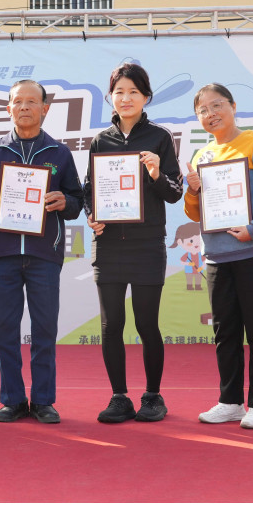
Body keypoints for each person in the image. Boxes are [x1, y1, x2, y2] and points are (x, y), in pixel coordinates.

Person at [0, 80, 84, 424]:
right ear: (8, 108)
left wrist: (65, 201)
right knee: (6, 331)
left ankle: (43, 400)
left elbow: (77, 201)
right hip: (4, 254)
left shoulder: (59, 153)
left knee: (45, 329)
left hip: (45, 254)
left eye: (32, 101)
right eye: (18, 102)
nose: (24, 107)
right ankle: (12, 400)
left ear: (45, 108)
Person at [82, 63, 183, 424]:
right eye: (119, 92)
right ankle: (119, 397)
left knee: (146, 324)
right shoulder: (101, 140)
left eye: (133, 92)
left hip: (147, 244)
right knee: (111, 325)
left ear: (146, 97)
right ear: (110, 97)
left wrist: (156, 173)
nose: (126, 99)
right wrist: (92, 215)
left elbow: (174, 192)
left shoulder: (159, 137)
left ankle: (153, 396)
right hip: (108, 244)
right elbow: (90, 189)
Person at [184, 83, 253, 430]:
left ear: (232, 106)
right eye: (203, 110)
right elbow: (194, 212)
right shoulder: (201, 156)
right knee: (225, 333)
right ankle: (230, 401)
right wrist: (193, 190)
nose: (210, 114)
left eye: (217, 105)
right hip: (218, 256)